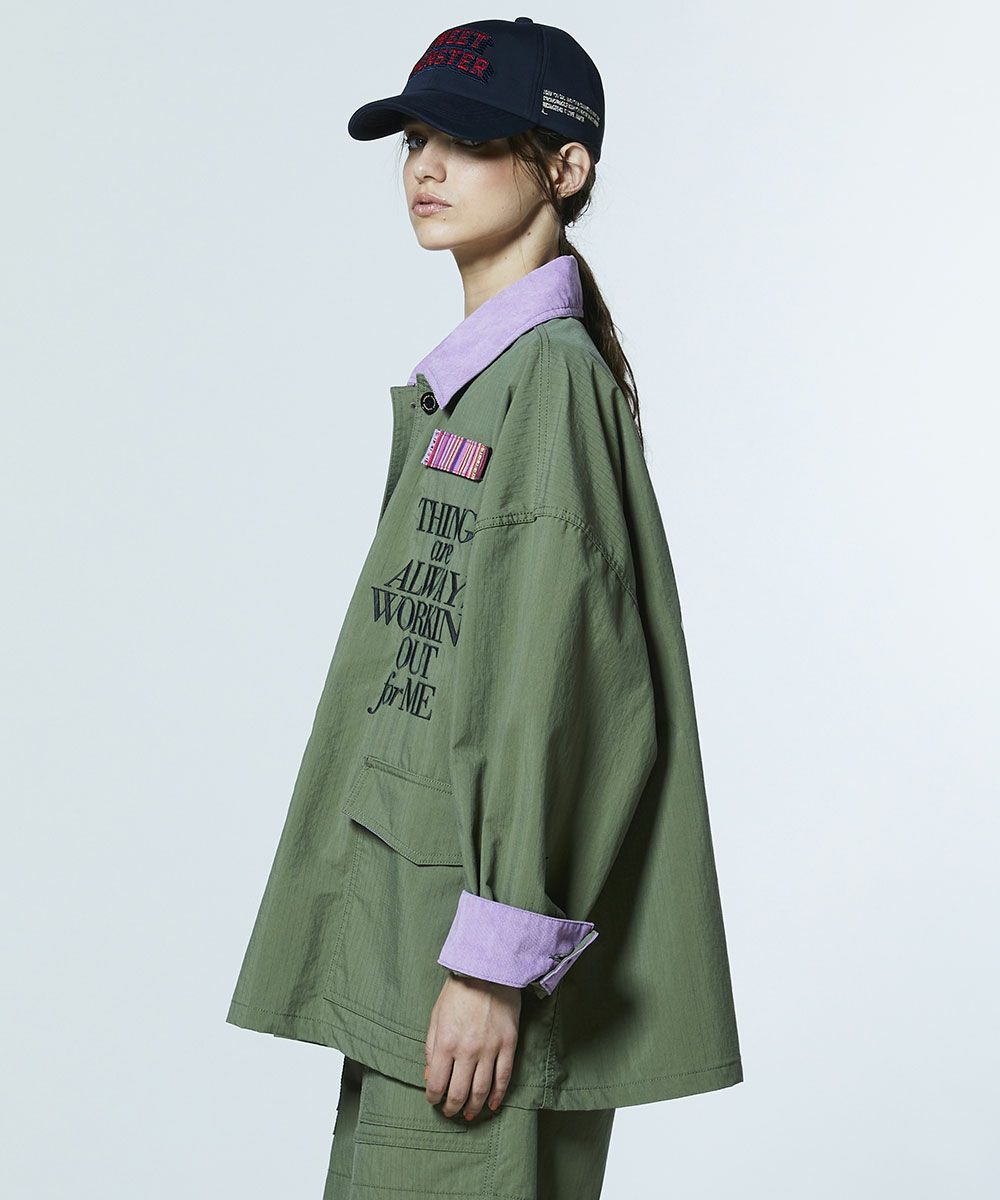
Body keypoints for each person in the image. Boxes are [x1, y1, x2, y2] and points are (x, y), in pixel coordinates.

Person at [225, 17, 744, 1199]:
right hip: (417, 946)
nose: (425, 166)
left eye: (466, 140)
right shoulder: (485, 384)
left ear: (565, 167)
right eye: (415, 138)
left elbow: (550, 697)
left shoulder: (546, 382)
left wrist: (491, 965)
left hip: (466, 977)